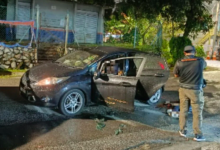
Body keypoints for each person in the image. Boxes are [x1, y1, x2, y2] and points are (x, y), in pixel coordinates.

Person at [173, 45, 207, 142]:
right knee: (197, 113)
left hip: (183, 89)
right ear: (194, 51)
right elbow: (204, 66)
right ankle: (198, 135)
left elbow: (176, 75)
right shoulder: (200, 61)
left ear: (184, 53)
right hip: (195, 90)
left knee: (183, 110)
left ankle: (182, 131)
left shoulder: (179, 62)